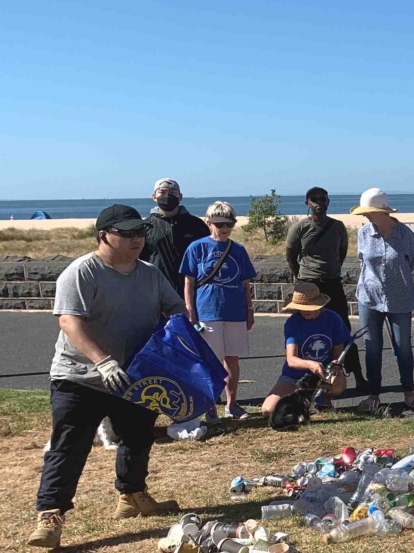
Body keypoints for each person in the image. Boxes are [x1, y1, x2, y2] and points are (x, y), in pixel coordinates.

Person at [30, 205, 183, 550]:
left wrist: (180, 329)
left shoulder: (150, 274)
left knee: (138, 436)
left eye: (140, 233)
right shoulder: (82, 272)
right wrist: (103, 362)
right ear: (104, 236)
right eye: (126, 234)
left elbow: (175, 309)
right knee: (70, 446)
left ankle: (132, 495)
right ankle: (50, 515)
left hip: (133, 375)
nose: (136, 240)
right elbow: (69, 322)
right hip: (79, 376)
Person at [179, 201, 257, 420]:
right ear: (209, 223)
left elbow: (245, 283)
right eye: (219, 223)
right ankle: (210, 404)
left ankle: (232, 404)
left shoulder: (238, 250)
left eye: (229, 224)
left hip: (234, 311)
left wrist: (249, 309)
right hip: (207, 311)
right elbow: (189, 282)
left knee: (232, 360)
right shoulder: (197, 247)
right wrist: (190, 311)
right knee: (210, 361)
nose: (224, 228)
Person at [285, 186, 364, 390]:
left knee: (343, 330)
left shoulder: (337, 226)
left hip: (332, 283)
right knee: (308, 329)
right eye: (314, 199)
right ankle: (308, 377)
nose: (318, 202)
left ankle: (356, 374)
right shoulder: (299, 227)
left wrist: (332, 269)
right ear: (307, 203)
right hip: (309, 285)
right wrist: (301, 277)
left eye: (322, 198)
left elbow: (342, 251)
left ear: (328, 202)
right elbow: (291, 255)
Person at [353, 188, 414, 411]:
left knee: (402, 346)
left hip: (399, 298)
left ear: (382, 211)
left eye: (369, 212)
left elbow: (412, 261)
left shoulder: (405, 235)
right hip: (368, 297)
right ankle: (374, 395)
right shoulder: (363, 233)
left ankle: (408, 392)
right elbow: (362, 262)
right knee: (371, 346)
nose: (366, 216)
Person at [260, 281, 351, 417]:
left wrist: (333, 368)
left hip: (324, 374)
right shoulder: (292, 323)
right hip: (294, 376)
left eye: (308, 307)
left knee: (338, 382)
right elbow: (291, 360)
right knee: (268, 410)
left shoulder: (333, 319)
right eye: (301, 307)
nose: (304, 311)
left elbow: (337, 354)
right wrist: (309, 364)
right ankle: (302, 405)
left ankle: (324, 400)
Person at [141, 178, 210, 293]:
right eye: (162, 192)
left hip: (193, 289)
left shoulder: (197, 225)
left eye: (172, 193)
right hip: (156, 290)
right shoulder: (146, 226)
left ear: (180, 197)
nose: (167, 196)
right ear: (154, 197)